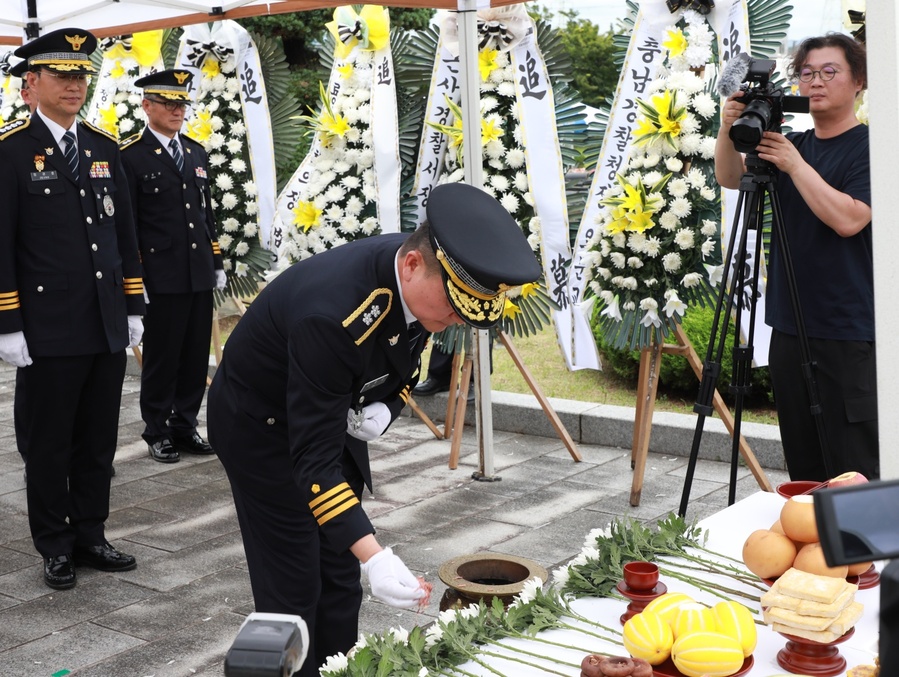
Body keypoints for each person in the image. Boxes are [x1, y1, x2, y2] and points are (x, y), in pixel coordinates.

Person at [206, 182, 541, 675]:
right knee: (295, 582)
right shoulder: (334, 315)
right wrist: (376, 556)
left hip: (328, 410)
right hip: (261, 427)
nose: (450, 324)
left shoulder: (419, 275)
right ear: (411, 267)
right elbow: (312, 462)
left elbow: (405, 355)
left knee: (339, 575)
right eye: (452, 310)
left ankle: (336, 669)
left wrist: (389, 401)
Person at [0, 28, 146, 590]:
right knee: (49, 439)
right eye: (61, 75)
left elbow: (123, 235)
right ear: (30, 83)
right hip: (47, 328)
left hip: (106, 322)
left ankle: (90, 532)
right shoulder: (11, 152)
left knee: (97, 439)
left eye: (80, 74)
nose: (74, 85)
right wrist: (8, 322)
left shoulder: (105, 149)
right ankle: (54, 542)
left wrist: (133, 303)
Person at [714, 33, 875, 482]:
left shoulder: (872, 148)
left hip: (846, 330)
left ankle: (865, 551)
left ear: (858, 81)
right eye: (806, 73)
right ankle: (812, 547)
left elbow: (850, 219)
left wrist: (794, 166)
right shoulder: (793, 145)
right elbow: (730, 177)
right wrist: (729, 131)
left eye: (829, 72)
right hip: (787, 326)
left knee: (853, 463)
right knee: (803, 464)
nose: (815, 82)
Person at [121, 69, 225, 464]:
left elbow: (205, 216)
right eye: (168, 103)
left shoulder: (196, 152)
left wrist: (214, 261)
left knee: (195, 355)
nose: (177, 110)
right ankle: (157, 429)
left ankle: (185, 424)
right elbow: (127, 225)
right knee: (163, 356)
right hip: (160, 276)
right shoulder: (129, 156)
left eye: (182, 103)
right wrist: (136, 278)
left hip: (197, 272)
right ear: (147, 106)